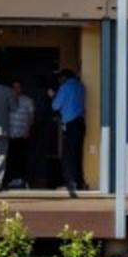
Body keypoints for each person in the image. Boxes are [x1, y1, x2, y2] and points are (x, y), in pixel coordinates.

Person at [51, 67, 86, 195]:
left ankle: (70, 183)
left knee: (68, 155)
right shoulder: (81, 86)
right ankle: (79, 181)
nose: (59, 80)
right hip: (81, 123)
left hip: (70, 124)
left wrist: (53, 95)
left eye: (60, 77)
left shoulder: (65, 87)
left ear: (64, 77)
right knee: (78, 153)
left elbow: (55, 105)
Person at [5, 79, 36, 189]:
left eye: (18, 87)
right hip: (10, 134)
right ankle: (12, 179)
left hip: (23, 133)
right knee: (10, 158)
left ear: (21, 88)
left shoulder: (28, 100)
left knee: (22, 158)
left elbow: (31, 116)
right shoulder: (7, 100)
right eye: (14, 87)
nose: (16, 89)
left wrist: (28, 130)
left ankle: (23, 179)